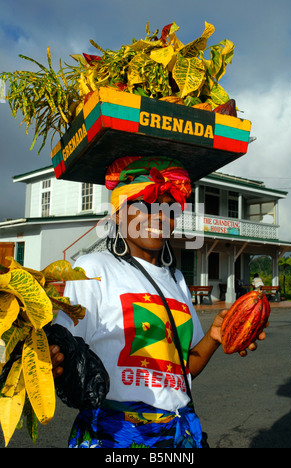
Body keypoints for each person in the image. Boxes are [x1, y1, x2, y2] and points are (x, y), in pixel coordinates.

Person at [49, 155, 266, 448]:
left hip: (180, 432)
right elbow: (63, 355)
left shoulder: (175, 279)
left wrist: (216, 337)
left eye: (170, 209)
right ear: (118, 213)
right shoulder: (93, 269)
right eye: (145, 206)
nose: (160, 217)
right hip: (117, 436)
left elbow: (183, 369)